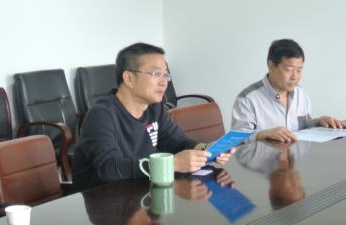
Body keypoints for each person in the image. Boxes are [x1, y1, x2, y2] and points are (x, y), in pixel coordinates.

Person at [72, 42, 233, 191]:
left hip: (141, 195)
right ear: (129, 78)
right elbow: (108, 168)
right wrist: (171, 164)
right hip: (104, 202)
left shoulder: (155, 109)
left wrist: (206, 150)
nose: (164, 82)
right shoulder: (101, 114)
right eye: (156, 74)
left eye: (166, 75)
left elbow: (179, 143)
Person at [230, 38, 346, 143]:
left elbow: (302, 126)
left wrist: (319, 122)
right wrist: (263, 134)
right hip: (263, 159)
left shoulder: (301, 93)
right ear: (271, 66)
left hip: (295, 158)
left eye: (299, 70)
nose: (295, 77)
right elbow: (236, 140)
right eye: (289, 69)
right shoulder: (247, 99)